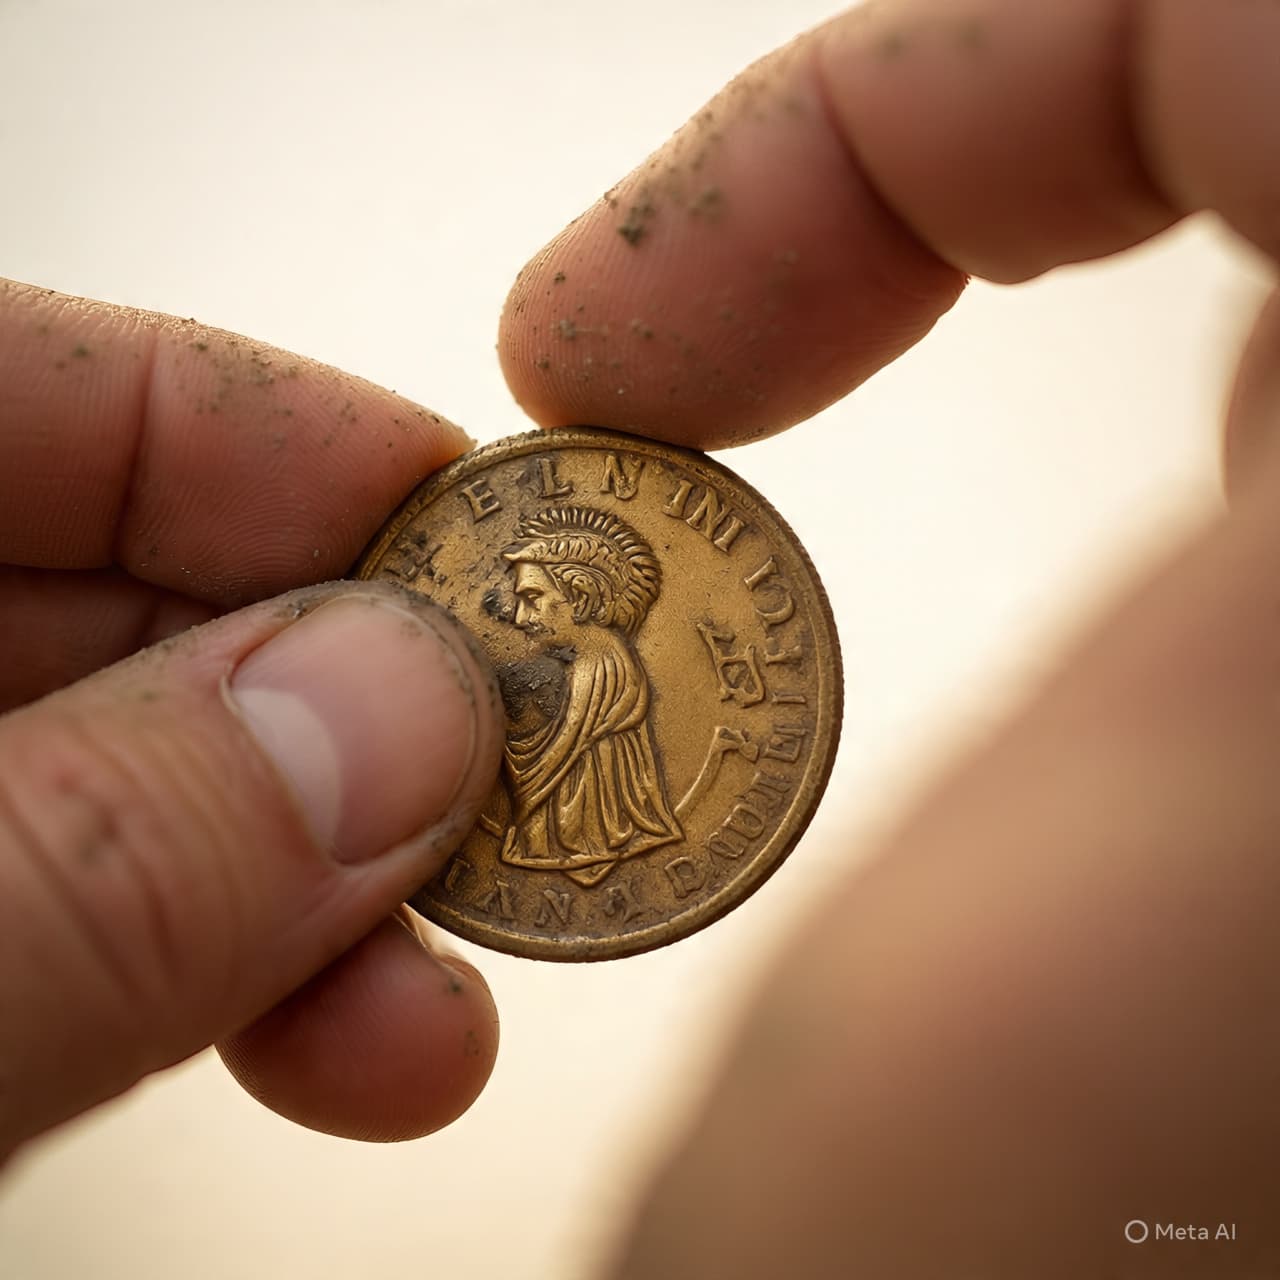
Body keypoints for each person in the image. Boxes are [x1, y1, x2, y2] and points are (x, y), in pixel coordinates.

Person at [1, 0, 1278, 1274]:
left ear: (586, 606)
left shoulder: (596, 674)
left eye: (531, 596)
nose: (503, 607)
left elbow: (551, 757)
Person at [498, 506, 681, 887]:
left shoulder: (601, 667)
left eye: (532, 597)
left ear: (580, 597)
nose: (519, 617)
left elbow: (547, 761)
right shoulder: (585, 664)